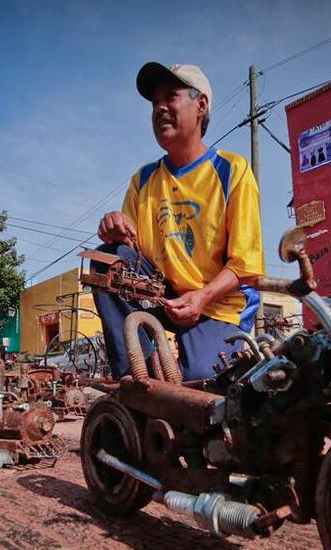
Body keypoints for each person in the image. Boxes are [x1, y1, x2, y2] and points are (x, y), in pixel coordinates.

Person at [93, 62, 264, 381]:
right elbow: (132, 255)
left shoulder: (231, 170)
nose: (159, 108)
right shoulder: (143, 180)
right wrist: (115, 227)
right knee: (107, 261)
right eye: (155, 102)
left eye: (170, 97)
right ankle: (137, 376)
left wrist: (202, 296)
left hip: (217, 305)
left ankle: (182, 376)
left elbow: (246, 264)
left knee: (202, 383)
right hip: (164, 296)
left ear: (201, 106)